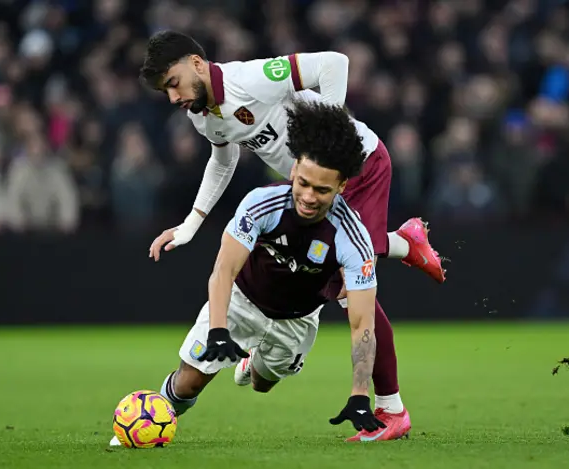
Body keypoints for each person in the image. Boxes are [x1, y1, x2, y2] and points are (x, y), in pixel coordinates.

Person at [141, 30, 439, 440]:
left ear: (196, 63)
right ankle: (404, 243)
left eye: (172, 83)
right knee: (346, 267)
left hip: (360, 167)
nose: (173, 97)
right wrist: (191, 224)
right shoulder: (202, 114)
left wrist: (328, 145)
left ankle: (391, 409)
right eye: (164, 91)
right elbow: (223, 159)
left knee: (344, 284)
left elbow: (334, 63)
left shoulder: (250, 78)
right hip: (312, 188)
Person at [111, 100, 390, 446]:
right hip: (241, 302)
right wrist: (217, 330)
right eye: (303, 183)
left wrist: (360, 394)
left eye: (321, 190)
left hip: (298, 320)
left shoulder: (353, 236)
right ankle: (150, 420)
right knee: (190, 382)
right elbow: (223, 271)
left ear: (342, 187)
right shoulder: (261, 204)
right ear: (292, 172)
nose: (308, 196)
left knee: (261, 383)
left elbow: (363, 325)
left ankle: (251, 365)